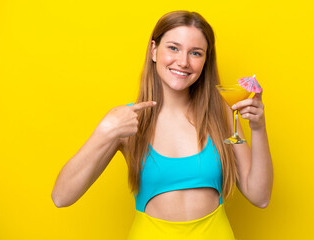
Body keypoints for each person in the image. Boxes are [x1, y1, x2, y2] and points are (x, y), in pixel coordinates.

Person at [51, 10, 273, 240]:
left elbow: (260, 196)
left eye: (195, 53)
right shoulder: (129, 121)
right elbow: (61, 197)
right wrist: (105, 131)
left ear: (206, 60)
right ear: (154, 50)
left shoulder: (221, 113)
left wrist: (258, 128)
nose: (183, 62)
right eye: (173, 48)